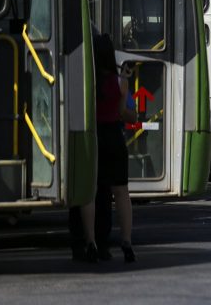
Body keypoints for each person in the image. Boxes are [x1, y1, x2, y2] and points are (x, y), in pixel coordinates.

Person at [70, 31, 138, 263]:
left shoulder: (86, 79)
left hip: (93, 137)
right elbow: (125, 114)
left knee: (89, 192)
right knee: (120, 192)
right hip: (115, 138)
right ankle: (127, 241)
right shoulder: (120, 82)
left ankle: (90, 242)